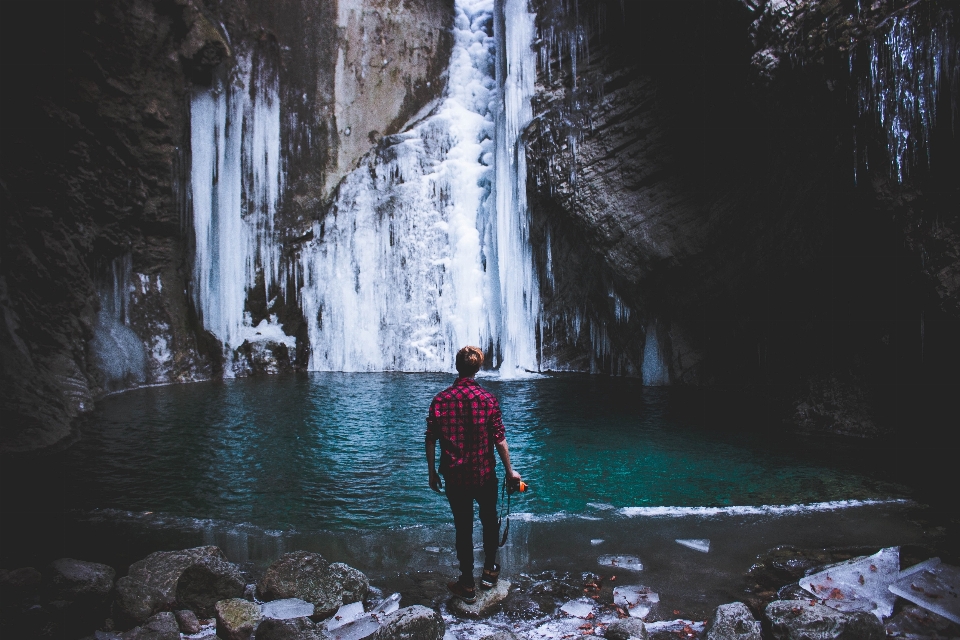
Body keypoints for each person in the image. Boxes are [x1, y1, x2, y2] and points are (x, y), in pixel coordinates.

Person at [425, 346, 522, 603]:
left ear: (457, 367)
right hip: (484, 474)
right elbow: (499, 440)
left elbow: (430, 438)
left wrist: (432, 472)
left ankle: (467, 582)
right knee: (490, 522)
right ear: (478, 368)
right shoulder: (488, 400)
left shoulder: (441, 400)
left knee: (463, 528)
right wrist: (510, 472)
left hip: (455, 476)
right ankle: (490, 572)